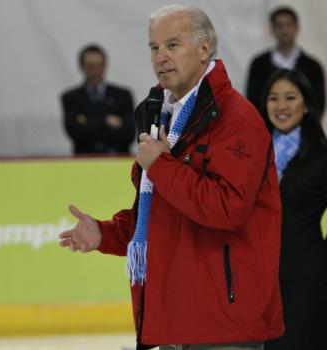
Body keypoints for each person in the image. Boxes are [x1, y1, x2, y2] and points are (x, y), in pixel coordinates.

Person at [59, 5, 284, 350]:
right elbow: (164, 218)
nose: (160, 57)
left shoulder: (236, 119)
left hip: (224, 324)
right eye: (154, 47)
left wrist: (162, 167)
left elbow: (228, 209)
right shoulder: (160, 116)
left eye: (173, 45)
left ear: (205, 48)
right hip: (176, 319)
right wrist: (104, 233)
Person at [259, 69, 327, 350]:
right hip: (259, 278)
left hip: (305, 279)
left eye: (290, 97)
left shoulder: (321, 157)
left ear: (307, 104)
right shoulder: (255, 154)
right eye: (273, 98)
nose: (281, 106)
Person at [246, 6, 325, 116]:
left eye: (289, 25)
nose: (284, 30)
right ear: (272, 29)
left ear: (297, 28)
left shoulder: (312, 67)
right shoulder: (259, 65)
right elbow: (253, 102)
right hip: (267, 131)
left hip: (303, 131)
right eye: (279, 25)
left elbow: (317, 105)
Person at [61, 44, 135, 155]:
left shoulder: (123, 96)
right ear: (81, 66)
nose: (95, 71)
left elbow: (129, 135)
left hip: (118, 163)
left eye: (99, 66)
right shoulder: (71, 98)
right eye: (90, 67)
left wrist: (88, 121)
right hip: (85, 164)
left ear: (105, 65)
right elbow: (75, 134)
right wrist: (108, 121)